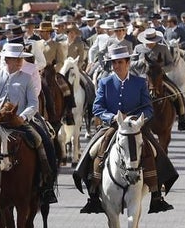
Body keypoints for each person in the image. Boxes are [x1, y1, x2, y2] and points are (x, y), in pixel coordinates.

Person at [75, 41, 176, 214]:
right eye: (114, 62)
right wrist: (111, 117)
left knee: (154, 151)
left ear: (128, 63)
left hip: (136, 127)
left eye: (120, 62)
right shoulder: (105, 82)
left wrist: (137, 120)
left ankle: (157, 194)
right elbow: (97, 107)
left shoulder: (139, 82)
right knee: (93, 151)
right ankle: (92, 194)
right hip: (112, 126)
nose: (116, 66)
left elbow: (148, 108)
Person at [0, 43, 58, 205]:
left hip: (20, 122)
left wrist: (23, 117)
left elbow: (33, 104)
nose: (20, 62)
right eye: (16, 59)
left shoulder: (26, 78)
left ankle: (47, 184)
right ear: (7, 59)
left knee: (42, 140)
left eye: (21, 59)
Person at [133, 28, 185, 131]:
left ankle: (182, 118)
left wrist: (161, 70)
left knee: (177, 93)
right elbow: (131, 64)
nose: (150, 44)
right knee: (131, 96)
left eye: (152, 42)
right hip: (142, 77)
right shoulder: (138, 48)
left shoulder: (163, 48)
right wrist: (141, 62)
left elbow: (171, 64)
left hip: (161, 78)